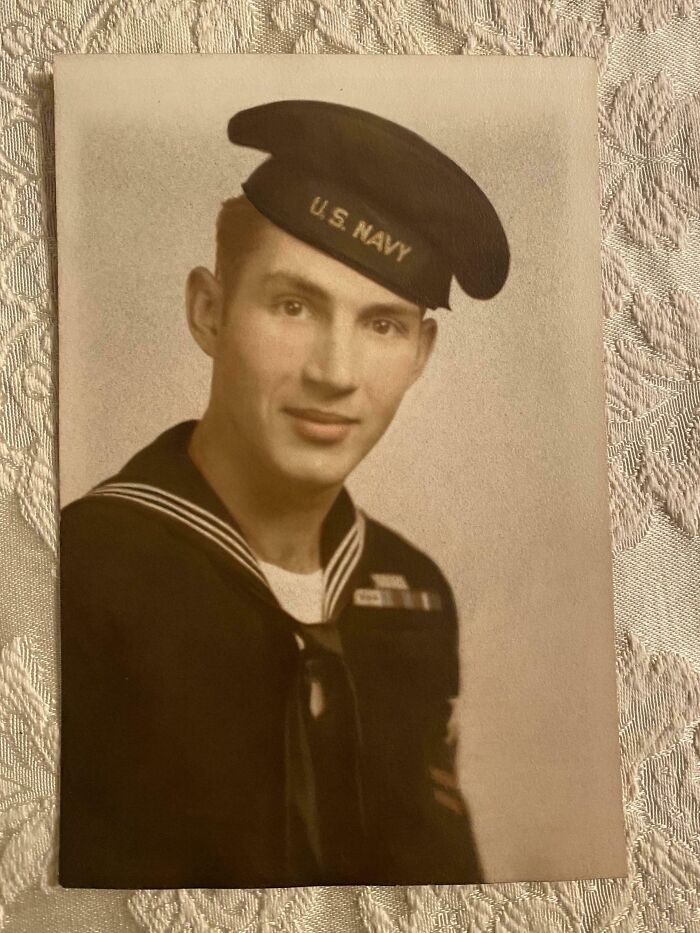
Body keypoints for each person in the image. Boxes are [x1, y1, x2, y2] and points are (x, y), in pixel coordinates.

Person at [59, 100, 509, 888]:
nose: (335, 372)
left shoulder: (411, 594)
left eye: (382, 324)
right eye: (294, 306)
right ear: (209, 310)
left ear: (420, 355)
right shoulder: (80, 570)